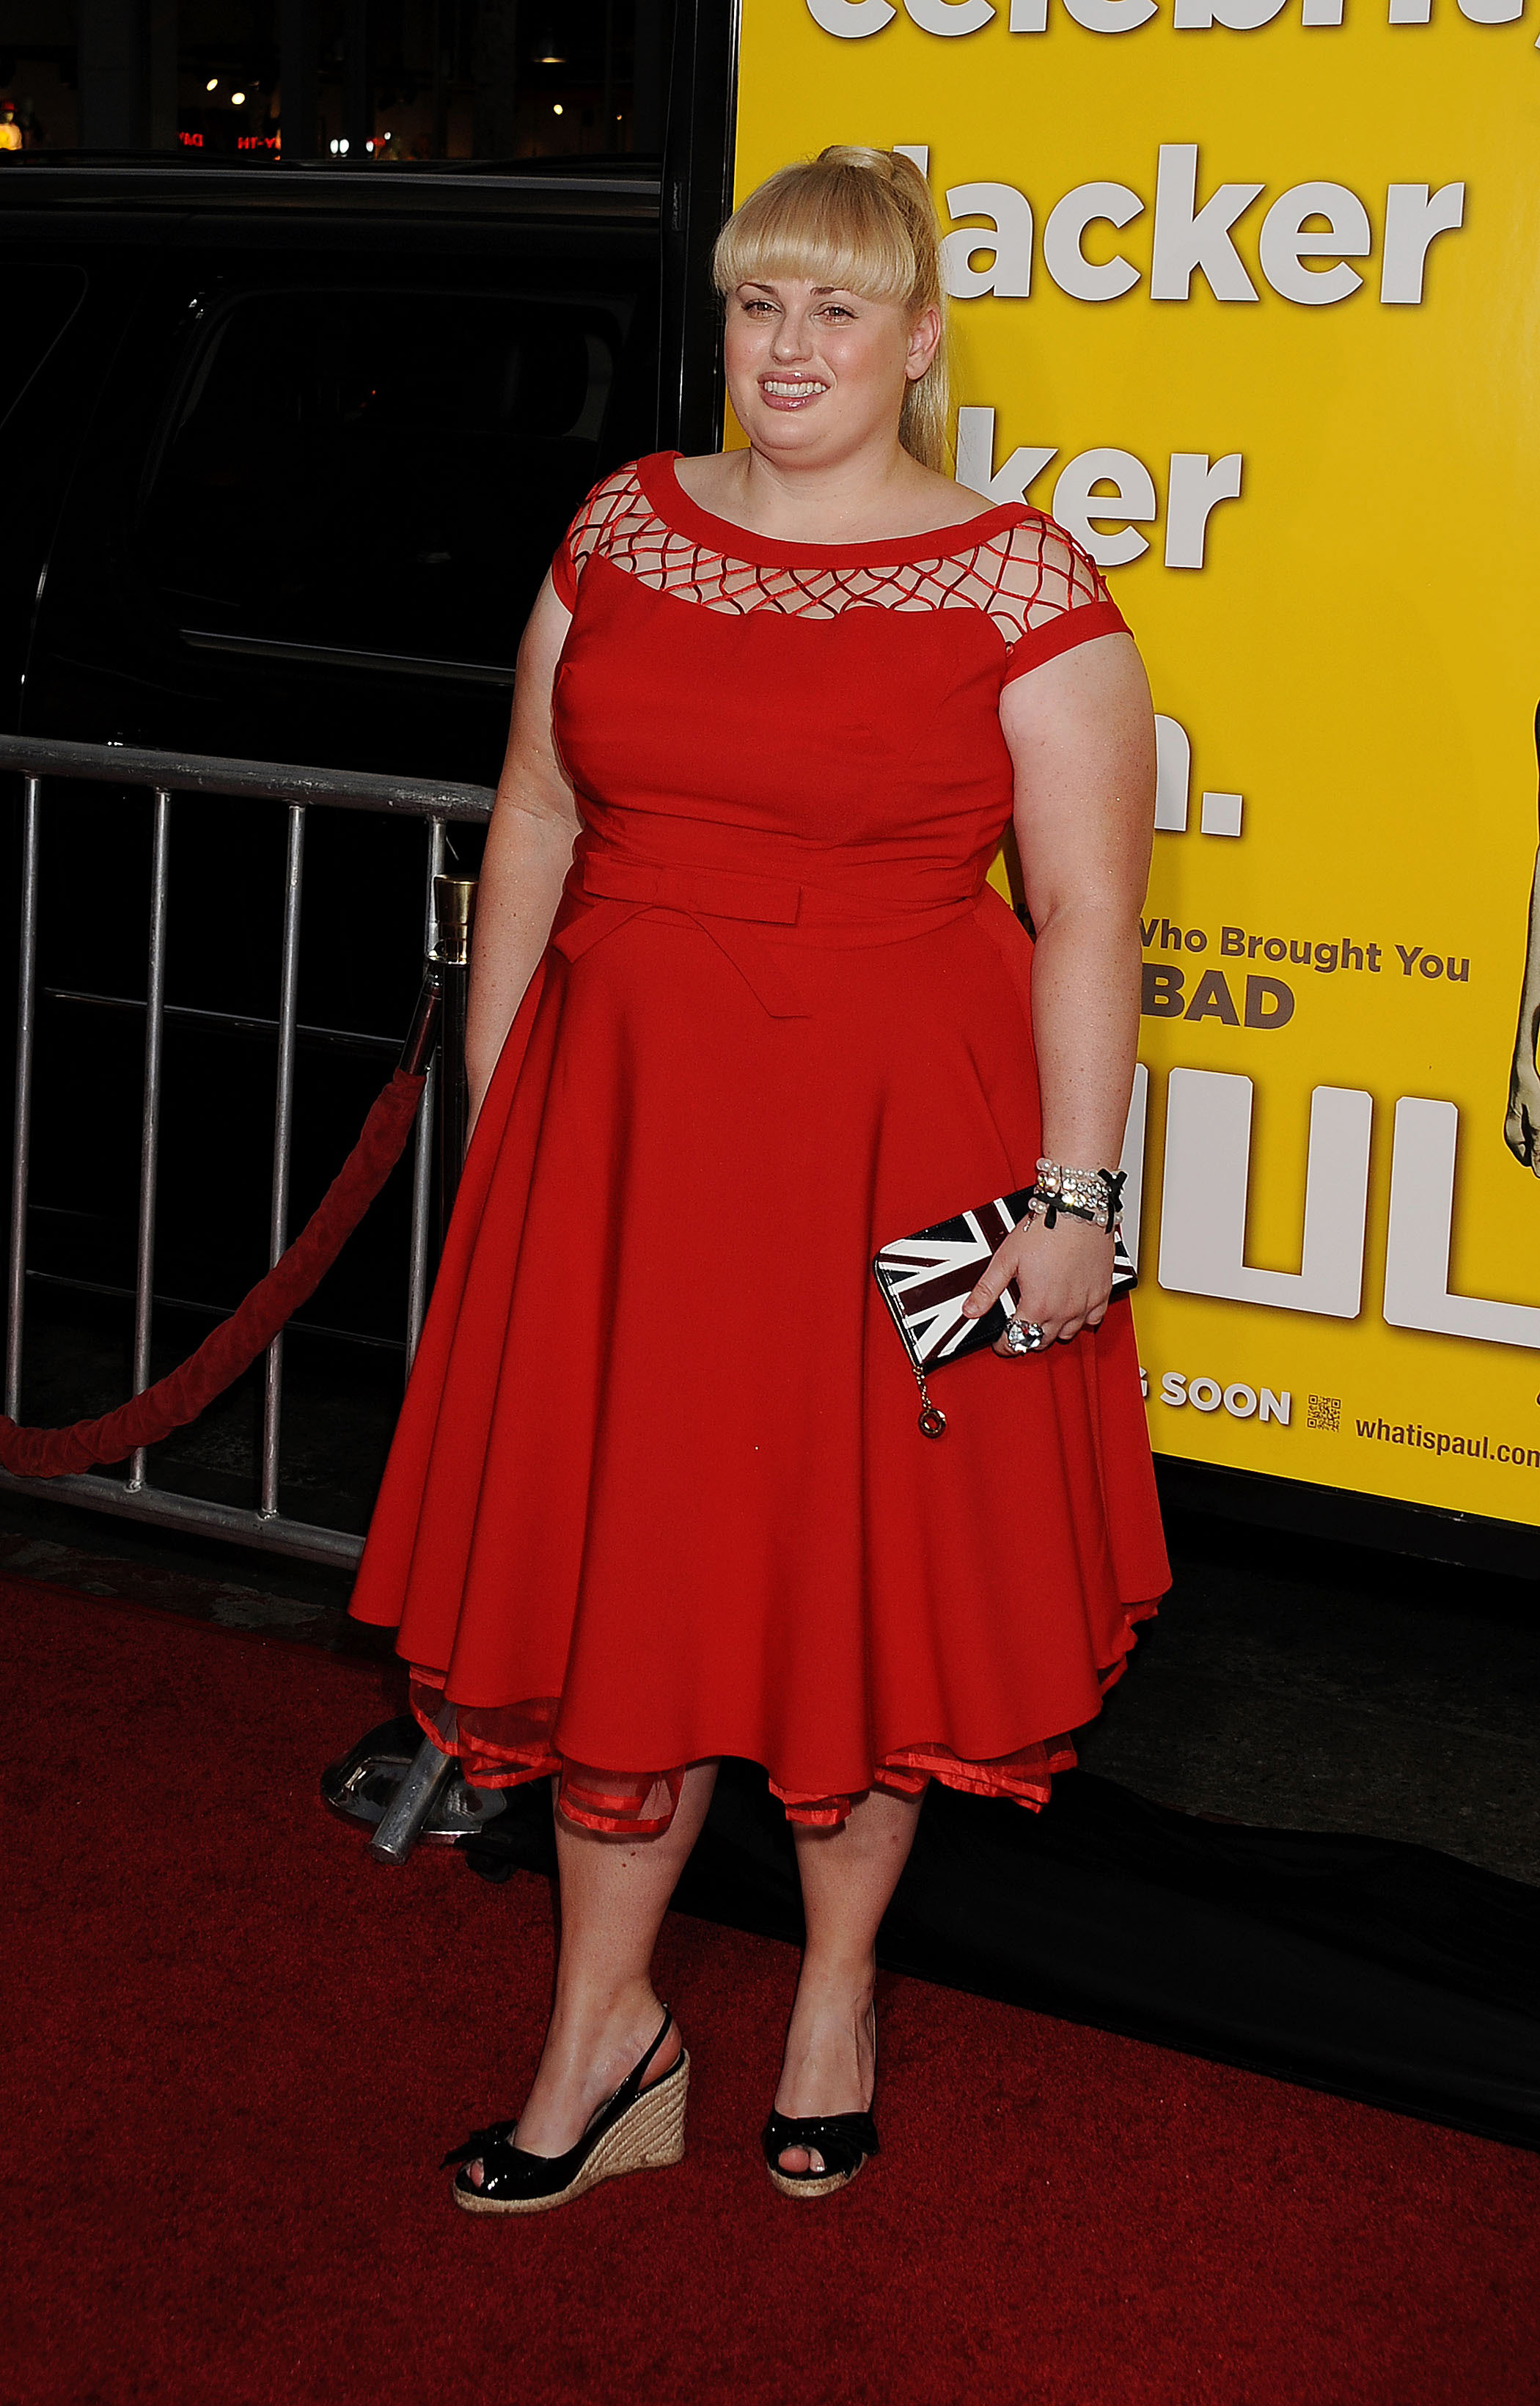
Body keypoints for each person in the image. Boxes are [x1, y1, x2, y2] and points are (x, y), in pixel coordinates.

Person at [350, 144, 1169, 2212]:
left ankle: (829, 1994)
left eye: (832, 308)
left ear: (915, 340)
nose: (786, 345)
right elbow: (530, 812)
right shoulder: (621, 523)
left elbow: (1084, 915)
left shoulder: (1019, 576)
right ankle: (599, 2037)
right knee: (629, 1577)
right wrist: (507, 1094)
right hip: (629, 1149)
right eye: (755, 304)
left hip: (911, 1140)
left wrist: (1078, 1199)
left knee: (854, 1590)